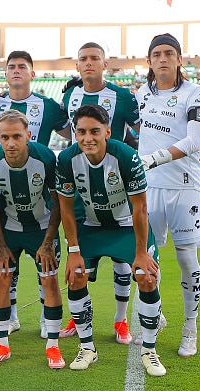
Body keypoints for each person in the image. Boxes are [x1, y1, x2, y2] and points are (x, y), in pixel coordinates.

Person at [56, 104, 165, 376]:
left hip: (128, 227)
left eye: (94, 131)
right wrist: (73, 250)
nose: (87, 138)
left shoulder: (127, 157)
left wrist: (141, 252)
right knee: (77, 275)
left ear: (107, 131)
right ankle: (87, 348)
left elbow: (140, 208)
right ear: (74, 133)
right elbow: (66, 209)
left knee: (146, 276)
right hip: (91, 227)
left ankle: (149, 351)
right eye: (80, 132)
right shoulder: (67, 159)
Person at [59, 42, 143, 340]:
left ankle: (120, 320)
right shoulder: (70, 94)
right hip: (81, 183)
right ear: (77, 65)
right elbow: (64, 129)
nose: (89, 63)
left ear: (105, 64)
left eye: (95, 58)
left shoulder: (121, 96)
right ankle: (77, 317)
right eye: (83, 59)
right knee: (80, 257)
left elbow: (141, 129)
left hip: (114, 182)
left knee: (122, 258)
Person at [137, 33, 200, 358]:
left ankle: (190, 328)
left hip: (183, 188)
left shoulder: (196, 93)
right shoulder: (141, 94)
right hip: (148, 189)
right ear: (149, 61)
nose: (163, 58)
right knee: (146, 258)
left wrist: (153, 159)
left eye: (169, 53)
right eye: (157, 54)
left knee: (185, 258)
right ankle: (155, 316)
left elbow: (194, 141)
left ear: (180, 59)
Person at [0, 50, 71, 337]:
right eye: (10, 66)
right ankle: (9, 317)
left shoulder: (47, 113)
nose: (16, 71)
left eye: (22, 66)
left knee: (46, 272)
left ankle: (47, 322)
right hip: (9, 213)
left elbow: (73, 134)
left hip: (41, 209)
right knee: (4, 273)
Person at [0, 109, 64, 369]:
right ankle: (2, 344)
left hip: (41, 228)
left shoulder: (46, 158)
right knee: (2, 278)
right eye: (4, 137)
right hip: (9, 228)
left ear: (28, 135)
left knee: (49, 280)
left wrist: (48, 243)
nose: (11, 143)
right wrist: (1, 246)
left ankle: (53, 347)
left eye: (16, 136)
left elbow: (59, 202)